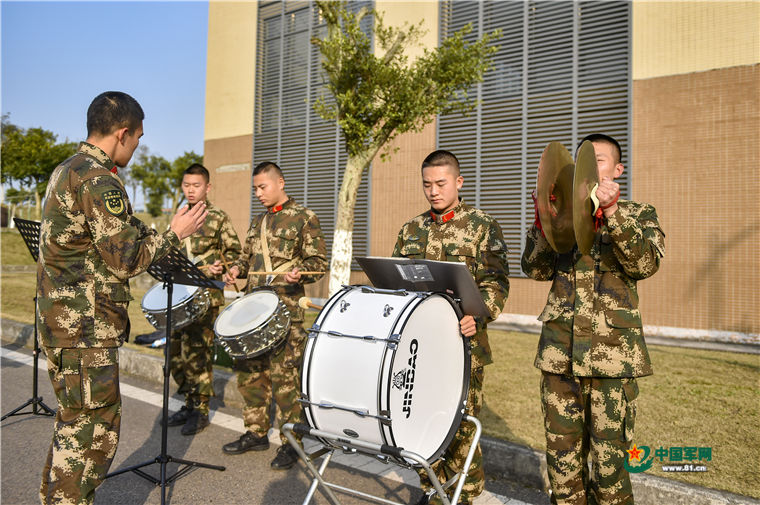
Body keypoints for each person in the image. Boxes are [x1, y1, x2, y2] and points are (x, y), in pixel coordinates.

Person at [37, 91, 207, 505]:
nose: (137, 146)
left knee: (73, 430)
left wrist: (157, 233)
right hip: (85, 332)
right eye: (138, 138)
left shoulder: (67, 170)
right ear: (123, 132)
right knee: (92, 435)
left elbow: (117, 236)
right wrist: (175, 235)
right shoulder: (99, 179)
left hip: (64, 326)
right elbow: (126, 258)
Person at [521, 133, 665, 505]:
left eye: (598, 161)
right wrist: (543, 221)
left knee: (610, 470)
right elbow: (534, 269)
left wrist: (613, 213)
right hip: (560, 358)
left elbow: (645, 263)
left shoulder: (638, 214)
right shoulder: (562, 219)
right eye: (584, 163)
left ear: (617, 170)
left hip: (612, 362)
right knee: (563, 467)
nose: (590, 169)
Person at [393, 150, 509, 505]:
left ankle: (464, 495)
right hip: (418, 345)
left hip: (464, 345)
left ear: (458, 182)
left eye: (441, 183)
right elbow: (396, 281)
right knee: (417, 419)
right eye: (427, 184)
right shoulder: (411, 230)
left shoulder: (482, 226)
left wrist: (479, 314)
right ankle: (432, 489)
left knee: (459, 425)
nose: (433, 191)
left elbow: (496, 284)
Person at [221, 161, 327, 470]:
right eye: (254, 188)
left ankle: (291, 443)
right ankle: (255, 432)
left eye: (262, 187)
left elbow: (317, 262)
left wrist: (300, 275)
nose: (258, 193)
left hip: (285, 314)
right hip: (254, 312)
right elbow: (245, 256)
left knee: (285, 382)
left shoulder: (304, 218)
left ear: (280, 183)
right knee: (252, 375)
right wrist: (237, 269)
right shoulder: (258, 222)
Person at [166, 163, 241, 435]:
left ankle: (200, 410)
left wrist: (226, 268)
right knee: (175, 354)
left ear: (207, 187)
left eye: (196, 186)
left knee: (198, 354)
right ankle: (187, 402)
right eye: (186, 185)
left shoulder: (218, 217)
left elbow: (234, 252)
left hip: (206, 297)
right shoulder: (179, 216)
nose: (190, 190)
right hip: (179, 297)